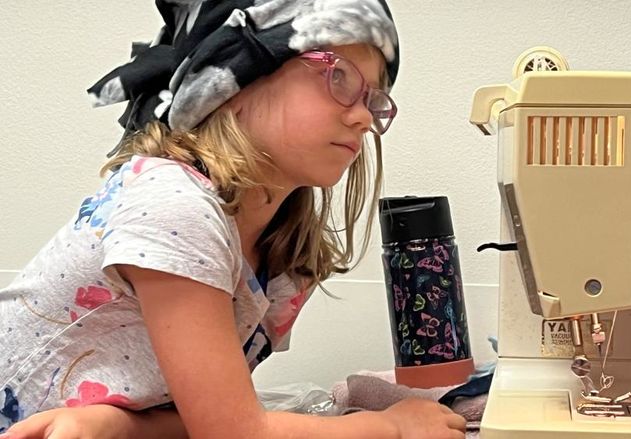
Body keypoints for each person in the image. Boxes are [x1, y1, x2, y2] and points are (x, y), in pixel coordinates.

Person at [0, 1, 467, 438]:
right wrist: (392, 427)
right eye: (339, 77)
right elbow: (234, 431)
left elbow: (202, 416)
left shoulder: (284, 253)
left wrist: (120, 425)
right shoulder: (174, 205)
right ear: (233, 84)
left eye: (374, 100)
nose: (364, 118)